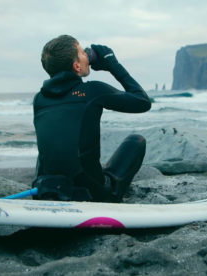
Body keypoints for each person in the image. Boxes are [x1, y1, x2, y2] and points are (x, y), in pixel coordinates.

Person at [33, 35, 151, 202]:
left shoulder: (39, 99)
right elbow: (142, 102)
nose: (87, 55)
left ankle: (49, 188)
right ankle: (108, 192)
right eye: (82, 52)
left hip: (47, 189)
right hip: (92, 194)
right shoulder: (93, 91)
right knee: (136, 141)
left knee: (54, 142)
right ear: (76, 66)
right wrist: (112, 64)